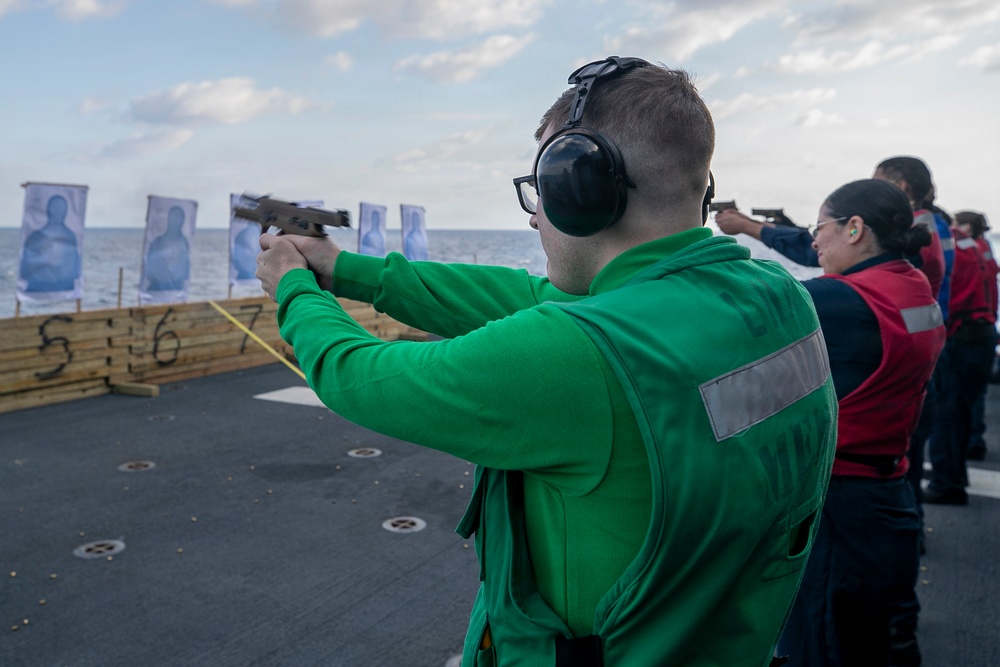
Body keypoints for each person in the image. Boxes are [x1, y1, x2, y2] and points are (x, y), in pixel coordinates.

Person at [255, 56, 838, 666]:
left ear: (580, 191)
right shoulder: (779, 298)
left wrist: (295, 287)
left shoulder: (578, 353)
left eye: (544, 190)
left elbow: (358, 376)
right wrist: (344, 269)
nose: (536, 214)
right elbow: (528, 297)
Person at [774, 179, 945, 667]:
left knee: (820, 647)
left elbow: (746, 307)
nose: (813, 241)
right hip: (889, 498)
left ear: (854, 229)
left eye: (818, 227)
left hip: (841, 512)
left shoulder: (841, 302)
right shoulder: (914, 285)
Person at [924, 213, 996, 504]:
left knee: (947, 413)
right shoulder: (977, 247)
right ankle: (955, 473)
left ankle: (947, 483)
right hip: (983, 334)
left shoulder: (949, 245)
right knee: (963, 411)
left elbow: (945, 291)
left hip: (961, 336)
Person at [954, 210, 997, 461]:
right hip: (987, 328)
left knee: (959, 399)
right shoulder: (984, 250)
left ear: (967, 227)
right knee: (977, 392)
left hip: (967, 331)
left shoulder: (964, 250)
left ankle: (969, 442)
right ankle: (975, 438)